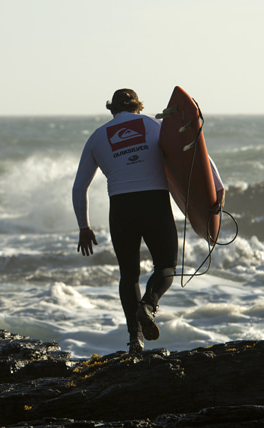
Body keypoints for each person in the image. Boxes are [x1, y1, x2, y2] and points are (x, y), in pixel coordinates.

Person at [72, 88, 178, 355]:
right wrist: (215, 191)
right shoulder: (156, 125)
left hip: (121, 208)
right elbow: (196, 156)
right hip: (155, 203)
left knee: (129, 275)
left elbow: (78, 188)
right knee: (166, 267)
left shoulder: (97, 137)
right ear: (138, 107)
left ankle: (135, 341)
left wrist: (84, 227)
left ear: (112, 109)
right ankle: (148, 306)